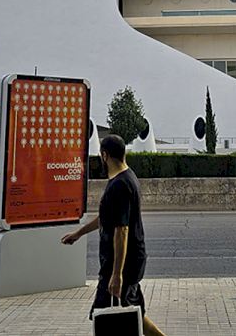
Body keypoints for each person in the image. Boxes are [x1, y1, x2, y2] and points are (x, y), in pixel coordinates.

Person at [61, 134, 165, 335]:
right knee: (133, 312)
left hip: (122, 264)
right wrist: (79, 233)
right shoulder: (128, 177)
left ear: (104, 155)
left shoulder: (119, 185)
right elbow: (107, 217)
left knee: (104, 315)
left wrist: (117, 275)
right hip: (130, 261)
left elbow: (121, 230)